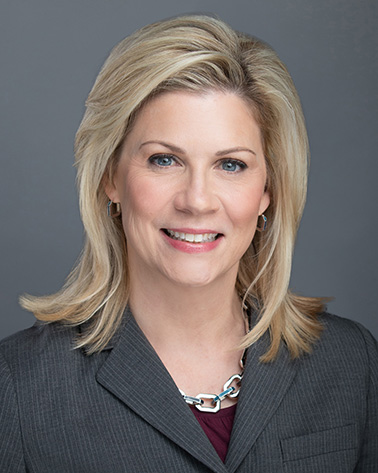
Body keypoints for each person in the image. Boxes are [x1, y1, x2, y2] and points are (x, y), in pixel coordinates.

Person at [0, 15, 377, 473]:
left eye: (231, 165)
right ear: (109, 177)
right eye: (164, 159)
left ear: (268, 190)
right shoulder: (17, 388)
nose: (197, 201)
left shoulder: (351, 363)